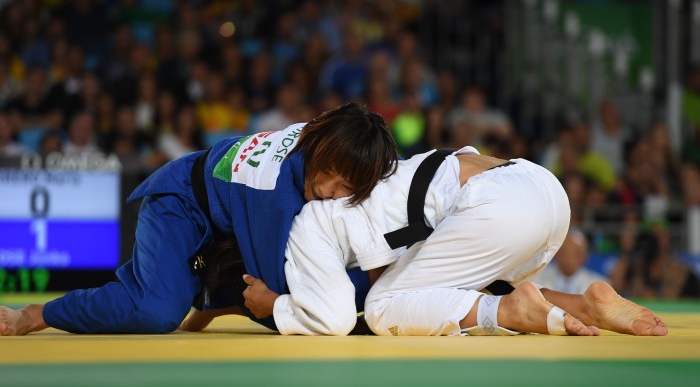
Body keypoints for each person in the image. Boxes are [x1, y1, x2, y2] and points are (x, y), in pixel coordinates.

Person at [0, 103, 398, 336]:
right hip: (180, 206)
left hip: (223, 233)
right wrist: (369, 298)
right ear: (319, 143)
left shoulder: (320, 136)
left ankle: (209, 299)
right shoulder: (274, 192)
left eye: (344, 186)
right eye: (327, 172)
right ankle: (38, 314)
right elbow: (277, 296)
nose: (328, 189)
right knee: (156, 311)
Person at [235, 146, 667, 337]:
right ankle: (584, 303)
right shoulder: (405, 168)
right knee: (449, 287)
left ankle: (511, 312)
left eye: (333, 185)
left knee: (385, 307)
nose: (328, 193)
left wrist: (276, 304)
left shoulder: (322, 216)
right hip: (544, 189)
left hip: (502, 208)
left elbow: (338, 315)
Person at [532, 227, 610, 296]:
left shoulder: (600, 285)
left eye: (576, 253)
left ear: (585, 256)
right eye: (564, 252)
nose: (569, 258)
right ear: (555, 254)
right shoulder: (535, 281)